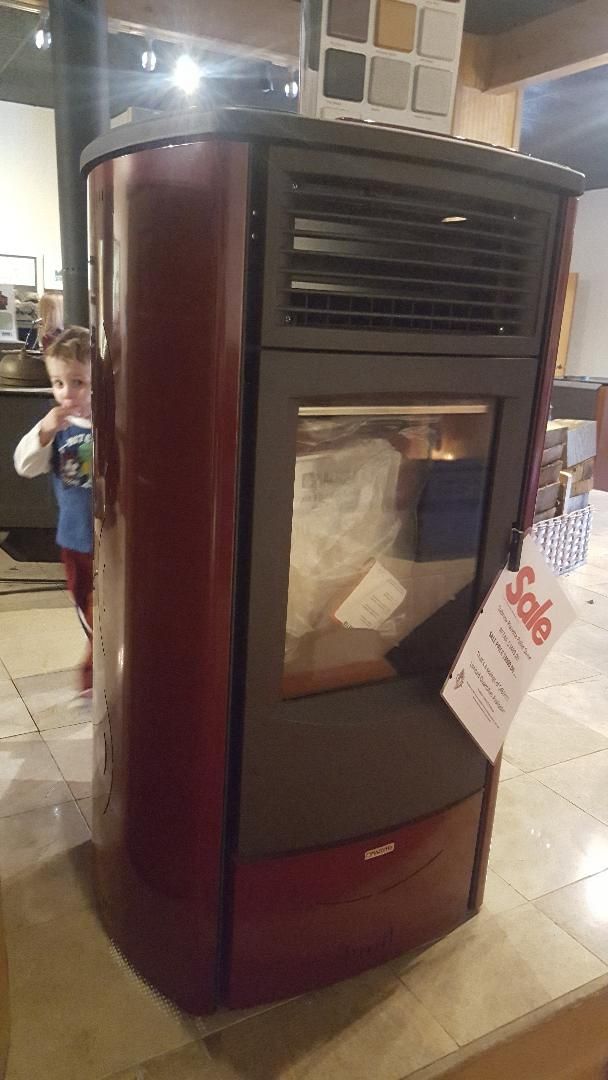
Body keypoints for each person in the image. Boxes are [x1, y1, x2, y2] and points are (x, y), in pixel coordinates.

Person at [14, 327, 93, 699]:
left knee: (106, 613)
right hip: (75, 538)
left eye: (78, 382)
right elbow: (25, 465)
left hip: (115, 540)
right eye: (58, 382)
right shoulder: (56, 428)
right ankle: (99, 670)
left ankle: (97, 673)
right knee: (85, 605)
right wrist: (44, 433)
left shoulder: (113, 422)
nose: (66, 393)